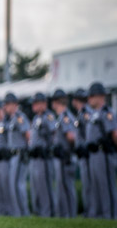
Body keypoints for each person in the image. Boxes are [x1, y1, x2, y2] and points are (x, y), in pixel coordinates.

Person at [84, 82, 117, 219]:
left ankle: (111, 216)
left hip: (104, 153)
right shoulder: (93, 115)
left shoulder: (107, 113)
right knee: (96, 187)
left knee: (107, 187)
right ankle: (101, 215)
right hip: (94, 154)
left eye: (92, 96)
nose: (89, 99)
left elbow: (114, 134)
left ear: (100, 96)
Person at [50, 89, 78, 218]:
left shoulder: (65, 116)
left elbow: (71, 137)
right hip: (62, 157)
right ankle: (65, 214)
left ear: (56, 102)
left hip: (66, 157)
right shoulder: (61, 116)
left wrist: (67, 150)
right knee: (62, 187)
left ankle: (70, 214)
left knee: (67, 187)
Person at [28, 92, 56, 217]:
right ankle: (39, 211)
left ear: (43, 103)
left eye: (36, 103)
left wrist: (48, 147)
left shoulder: (48, 116)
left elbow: (54, 134)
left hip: (44, 157)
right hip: (34, 157)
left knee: (45, 187)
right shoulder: (36, 118)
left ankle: (48, 212)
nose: (33, 105)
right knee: (37, 186)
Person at [3, 92, 31, 217]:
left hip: (20, 154)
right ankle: (18, 213)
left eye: (8, 104)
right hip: (13, 155)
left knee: (18, 184)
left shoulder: (20, 117)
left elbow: (28, 135)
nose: (6, 107)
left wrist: (27, 150)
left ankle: (24, 212)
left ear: (15, 104)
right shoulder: (11, 119)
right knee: (13, 184)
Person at [72, 88, 94, 217]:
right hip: (84, 153)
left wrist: (84, 145)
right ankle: (90, 211)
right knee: (88, 184)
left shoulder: (86, 113)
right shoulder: (82, 113)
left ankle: (93, 211)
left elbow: (89, 133)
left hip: (89, 153)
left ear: (75, 101)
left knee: (91, 184)